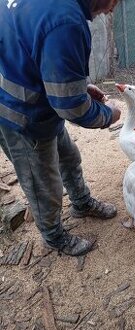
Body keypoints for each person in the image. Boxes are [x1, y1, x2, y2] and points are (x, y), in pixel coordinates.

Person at [0, 0, 121, 256]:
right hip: (20, 115)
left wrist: (78, 88)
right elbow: (72, 108)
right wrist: (108, 115)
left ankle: (81, 202)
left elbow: (37, 50)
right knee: (43, 184)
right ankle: (54, 237)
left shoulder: (55, 8)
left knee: (68, 156)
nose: (111, 9)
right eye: (114, 1)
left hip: (35, 99)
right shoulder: (66, 21)